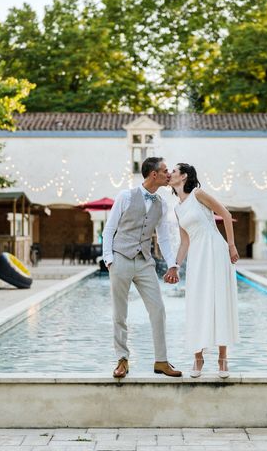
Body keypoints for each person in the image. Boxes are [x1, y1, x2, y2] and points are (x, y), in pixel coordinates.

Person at [102, 157, 182, 379]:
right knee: (120, 313)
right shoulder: (125, 196)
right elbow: (109, 230)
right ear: (153, 174)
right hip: (120, 259)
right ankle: (122, 360)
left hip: (145, 261)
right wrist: (109, 259)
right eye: (165, 171)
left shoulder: (162, 203)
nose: (169, 174)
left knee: (158, 309)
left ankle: (161, 361)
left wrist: (172, 264)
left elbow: (164, 238)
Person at [165, 163, 240, 378]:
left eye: (174, 171)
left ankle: (223, 359)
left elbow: (225, 214)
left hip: (216, 250)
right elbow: (184, 242)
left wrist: (232, 245)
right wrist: (175, 266)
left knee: (219, 300)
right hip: (197, 256)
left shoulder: (198, 194)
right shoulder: (178, 209)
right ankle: (198, 357)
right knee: (197, 303)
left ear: (184, 176)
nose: (170, 174)